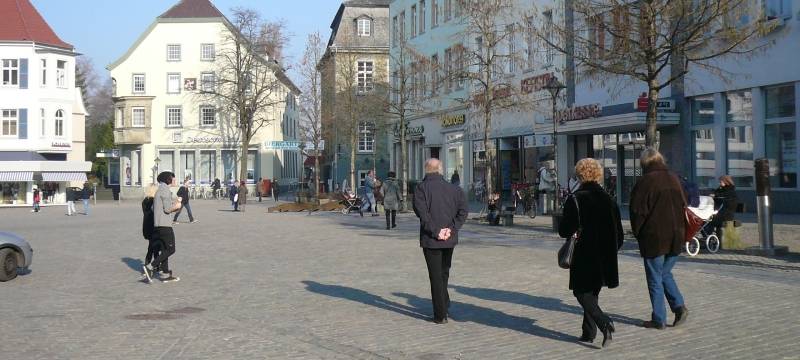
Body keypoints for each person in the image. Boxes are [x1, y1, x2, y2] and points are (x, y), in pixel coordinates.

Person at [559, 158, 623, 347]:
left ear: (580, 175)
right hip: (605, 256)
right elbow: (619, 233)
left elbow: (564, 230)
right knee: (592, 293)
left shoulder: (576, 198)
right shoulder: (609, 199)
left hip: (584, 255)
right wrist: (611, 249)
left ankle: (604, 323)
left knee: (581, 293)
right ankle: (588, 332)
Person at [630, 148, 689, 330]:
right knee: (664, 273)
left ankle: (659, 318)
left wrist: (638, 232)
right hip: (677, 234)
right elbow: (684, 204)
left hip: (655, 236)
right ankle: (679, 307)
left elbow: (637, 212)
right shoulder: (674, 178)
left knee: (655, 277)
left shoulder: (645, 182)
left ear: (644, 163)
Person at [413, 158, 469, 324]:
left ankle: (440, 314)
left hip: (431, 239)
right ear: (440, 169)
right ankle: (444, 302)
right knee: (444, 272)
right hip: (449, 238)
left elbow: (423, 215)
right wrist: (452, 229)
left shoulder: (421, 189)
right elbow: (464, 211)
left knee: (436, 276)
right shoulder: (454, 189)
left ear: (426, 170)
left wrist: (437, 232)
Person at [143, 172, 182, 283]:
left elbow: (154, 208)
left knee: (165, 249)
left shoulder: (159, 190)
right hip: (165, 225)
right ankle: (150, 266)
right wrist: (177, 206)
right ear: (168, 179)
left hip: (158, 226)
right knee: (171, 249)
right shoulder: (165, 190)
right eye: (173, 178)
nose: (174, 180)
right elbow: (167, 209)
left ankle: (165, 274)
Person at [712, 175, 738, 242]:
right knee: (707, 221)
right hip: (721, 212)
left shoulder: (730, 190)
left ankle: (713, 239)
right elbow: (716, 194)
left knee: (710, 221)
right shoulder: (721, 189)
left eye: (721, 181)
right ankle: (712, 238)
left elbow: (724, 197)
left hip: (727, 214)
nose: (720, 183)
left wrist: (716, 195)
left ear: (726, 182)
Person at [142, 184, 160, 269]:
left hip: (146, 226)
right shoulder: (154, 201)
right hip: (153, 226)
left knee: (153, 246)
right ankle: (150, 265)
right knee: (153, 246)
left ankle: (153, 264)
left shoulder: (145, 201)